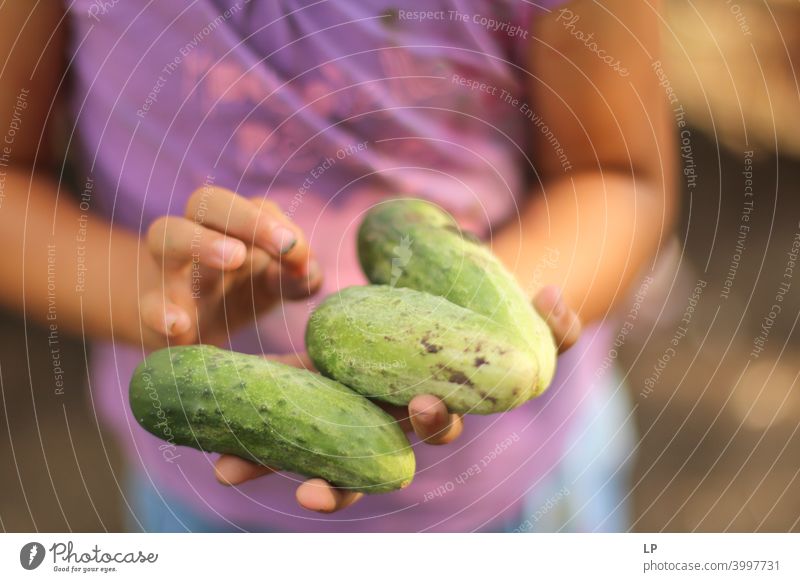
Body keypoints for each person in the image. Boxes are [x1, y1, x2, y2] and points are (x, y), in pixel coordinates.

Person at [0, 0, 675, 532]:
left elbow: (620, 176)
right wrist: (142, 293)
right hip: (202, 505)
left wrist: (490, 325)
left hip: (520, 490)